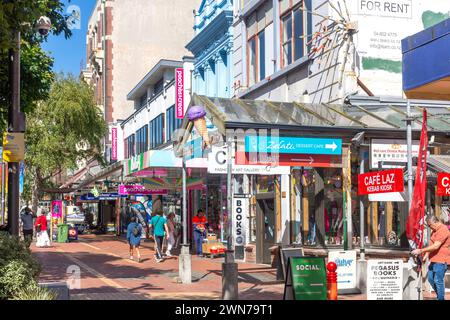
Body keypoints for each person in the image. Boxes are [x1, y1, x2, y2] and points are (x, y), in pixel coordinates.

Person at [412, 215, 450, 300]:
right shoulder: (435, 231)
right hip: (434, 260)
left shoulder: (443, 230)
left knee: (438, 280)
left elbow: (436, 246)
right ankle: (440, 296)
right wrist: (426, 255)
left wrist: (421, 250)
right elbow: (431, 245)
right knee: (430, 279)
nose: (429, 227)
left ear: (434, 222)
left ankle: (440, 298)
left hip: (441, 260)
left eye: (429, 225)